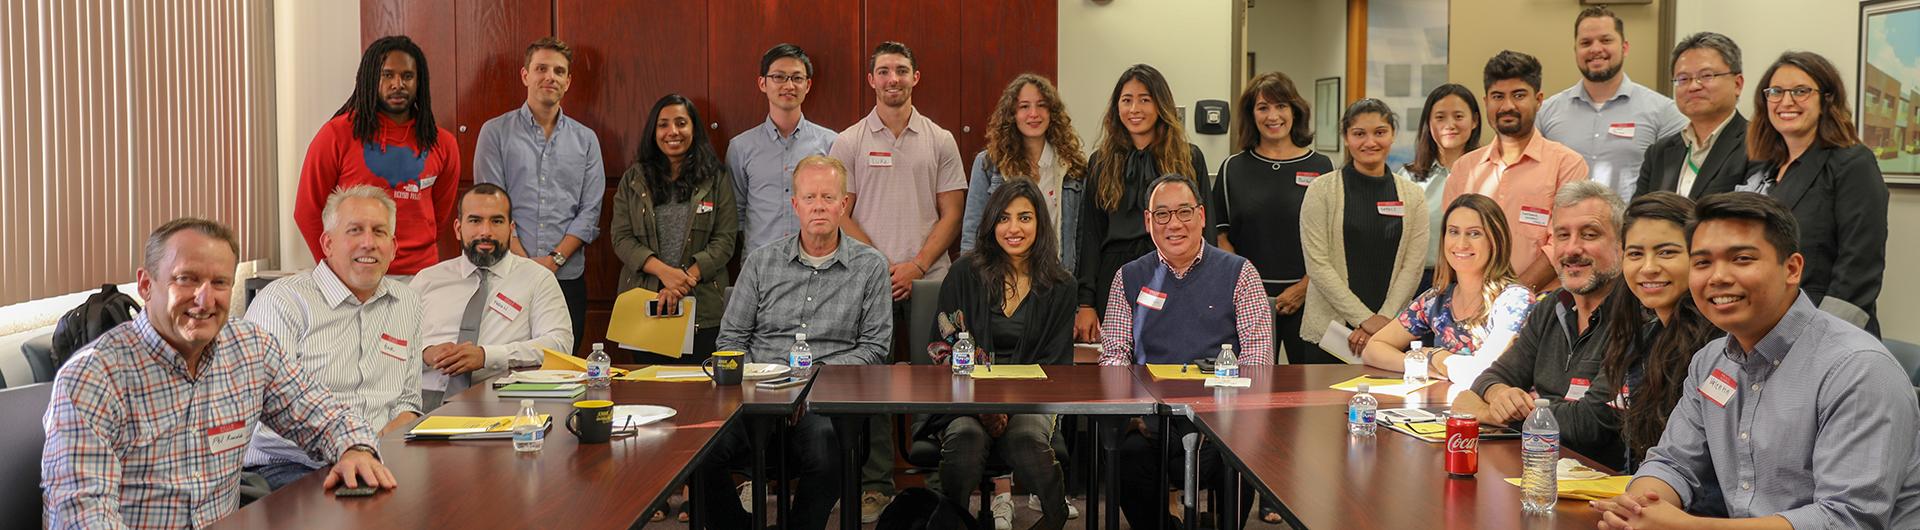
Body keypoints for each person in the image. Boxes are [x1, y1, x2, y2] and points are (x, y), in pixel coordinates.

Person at [1593, 192, 1920, 529]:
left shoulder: (1857, 369)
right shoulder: (1711, 362)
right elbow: (1674, 462)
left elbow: (1845, 519)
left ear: (1791, 269)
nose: (1717, 277)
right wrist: (1637, 509)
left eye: (1742, 259)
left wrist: (1687, 528)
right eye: (1702, 262)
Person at [42, 218, 396, 527]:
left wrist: (356, 449)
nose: (205, 299)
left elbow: (323, 414)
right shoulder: (93, 377)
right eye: (186, 279)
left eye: (220, 283)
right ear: (146, 285)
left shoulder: (250, 349)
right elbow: (83, 515)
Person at [700, 155, 893, 529]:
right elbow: (730, 341)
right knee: (701, 451)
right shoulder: (761, 263)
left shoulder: (871, 267)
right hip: (757, 396)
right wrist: (766, 384)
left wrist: (810, 382)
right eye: (809, 198)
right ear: (795, 205)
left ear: (844, 204)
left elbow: (874, 349)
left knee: (828, 449)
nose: (818, 206)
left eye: (827, 197)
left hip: (824, 399)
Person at [825, 41, 965, 519]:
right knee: (876, 383)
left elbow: (953, 212)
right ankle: (876, 484)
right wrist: (882, 267)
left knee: (936, 380)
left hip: (932, 281)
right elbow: (841, 211)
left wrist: (917, 266)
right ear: (871, 80)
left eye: (901, 70)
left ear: (916, 77)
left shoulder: (940, 138)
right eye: (883, 71)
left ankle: (938, 481)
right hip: (870, 282)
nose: (893, 79)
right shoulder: (848, 141)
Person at [1100, 175, 1271, 529]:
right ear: (1148, 222)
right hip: (1153, 420)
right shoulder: (1129, 277)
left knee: (1238, 454)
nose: (1174, 224)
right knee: (1126, 457)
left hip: (1220, 420)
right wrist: (1131, 410)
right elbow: (1114, 355)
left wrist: (1227, 416)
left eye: (1184, 212)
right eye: (1162, 215)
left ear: (1202, 216)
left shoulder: (1240, 273)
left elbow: (1257, 360)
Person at [242, 186, 423, 491]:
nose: (368, 243)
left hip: (379, 459)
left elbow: (407, 400)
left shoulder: (407, 302)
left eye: (379, 232)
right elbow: (262, 419)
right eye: (354, 231)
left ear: (393, 247)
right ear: (327, 243)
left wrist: (369, 449)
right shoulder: (284, 302)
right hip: (293, 466)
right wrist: (353, 446)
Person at [920, 180, 1075, 529]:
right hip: (966, 397)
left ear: (1040, 224)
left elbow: (1055, 365)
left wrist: (1005, 406)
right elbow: (943, 347)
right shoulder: (964, 273)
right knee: (965, 439)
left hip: (1032, 401)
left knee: (1026, 438)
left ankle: (1055, 514)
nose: (1014, 228)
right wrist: (986, 406)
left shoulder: (1061, 284)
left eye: (1025, 217)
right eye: (1004, 218)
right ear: (991, 224)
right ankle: (953, 520)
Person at [1451, 180, 1628, 470]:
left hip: (1602, 487)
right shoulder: (1551, 306)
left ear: (1621, 244)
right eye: (1562, 235)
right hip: (1539, 469)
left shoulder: (1635, 316)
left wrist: (1491, 412)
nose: (1572, 249)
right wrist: (1500, 395)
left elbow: (1590, 424)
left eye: (1589, 234)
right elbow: (1492, 377)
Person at [1734, 51, 1887, 336]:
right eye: (1776, 92)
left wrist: (1821, 337)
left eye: (1801, 91)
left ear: (1826, 99)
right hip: (1763, 324)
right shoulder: (1764, 167)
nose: (1786, 101)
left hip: (1825, 330)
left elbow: (1859, 267)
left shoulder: (1852, 163)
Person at [473, 36, 605, 348]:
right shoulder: (495, 133)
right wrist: (525, 261)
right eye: (541, 68)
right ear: (525, 75)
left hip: (567, 276)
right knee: (504, 364)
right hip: (506, 272)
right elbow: (490, 205)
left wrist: (553, 260)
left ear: (568, 81)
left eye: (559, 71)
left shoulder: (586, 140)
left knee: (563, 365)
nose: (550, 77)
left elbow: (590, 211)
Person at [295, 35, 460, 278]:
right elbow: (307, 210)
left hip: (421, 276)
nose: (398, 84)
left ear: (419, 81)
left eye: (407, 76)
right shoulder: (336, 135)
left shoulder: (443, 143)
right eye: (387, 75)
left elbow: (440, 217)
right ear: (371, 78)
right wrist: (332, 269)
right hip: (354, 274)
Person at [1076, 64, 1211, 346]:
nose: (1134, 109)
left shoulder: (1189, 158)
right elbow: (1089, 235)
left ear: (1160, 105)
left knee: (1172, 354)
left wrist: (1208, 288)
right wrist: (1085, 303)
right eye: (1127, 100)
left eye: (1144, 99)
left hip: (1175, 269)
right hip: (1115, 274)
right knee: (1119, 358)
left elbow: (1204, 230)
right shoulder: (1100, 162)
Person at [410, 184, 574, 408]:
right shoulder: (427, 280)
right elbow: (390, 343)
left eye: (496, 221)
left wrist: (487, 356)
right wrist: (425, 353)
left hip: (501, 398)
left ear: (511, 229)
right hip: (423, 399)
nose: (485, 231)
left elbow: (559, 344)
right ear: (458, 228)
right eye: (475, 220)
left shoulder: (537, 279)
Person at [1211, 71, 1334, 368]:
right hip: (1247, 300)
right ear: (1251, 115)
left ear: (1295, 110)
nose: (1273, 115)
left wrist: (1305, 287)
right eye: (1263, 107)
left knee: (1308, 393)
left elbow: (1331, 240)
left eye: (1281, 106)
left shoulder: (1322, 166)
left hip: (1308, 298)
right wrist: (1251, 290)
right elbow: (1219, 237)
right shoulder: (1232, 168)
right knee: (1246, 388)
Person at [1594, 192, 1720, 478]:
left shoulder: (1721, 345)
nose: (1648, 268)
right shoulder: (1644, 337)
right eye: (1635, 254)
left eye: (1666, 252)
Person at [1445, 50, 1592, 294]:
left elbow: (1563, 242)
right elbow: (1451, 241)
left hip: (1543, 304)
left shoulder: (1567, 164)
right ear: (1486, 102)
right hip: (1472, 304)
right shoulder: (1464, 168)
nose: (1507, 106)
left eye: (1519, 95)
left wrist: (1513, 298)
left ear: (1539, 99)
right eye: (1498, 96)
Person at [1298, 99, 1429, 364]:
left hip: (1390, 334)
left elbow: (1413, 267)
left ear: (1392, 135)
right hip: (1330, 333)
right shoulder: (1321, 191)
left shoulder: (1413, 197)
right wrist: (1364, 319)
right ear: (1346, 138)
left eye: (1380, 132)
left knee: (1388, 405)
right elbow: (1318, 265)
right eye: (1359, 134)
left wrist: (1382, 321)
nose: (1370, 142)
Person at [610, 94, 738, 362]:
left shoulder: (715, 177)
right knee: (646, 393)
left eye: (681, 123)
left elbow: (725, 240)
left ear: (694, 129)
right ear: (653, 132)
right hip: (644, 303)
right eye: (663, 124)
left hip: (702, 304)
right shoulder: (634, 178)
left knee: (702, 392)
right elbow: (621, 237)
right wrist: (665, 273)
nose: (673, 132)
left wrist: (683, 280)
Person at [1360, 194, 1533, 384]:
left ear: (1497, 241)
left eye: (1474, 233)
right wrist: (1421, 363)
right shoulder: (1436, 299)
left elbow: (1482, 373)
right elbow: (1373, 348)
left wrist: (1438, 357)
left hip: (1495, 410)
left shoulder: (1515, 300)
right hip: (1444, 406)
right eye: (1453, 232)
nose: (1461, 244)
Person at [1537, 6, 1686, 199]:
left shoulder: (1664, 112)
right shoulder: (1546, 112)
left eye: (1606, 40)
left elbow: (1678, 184)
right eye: (1586, 42)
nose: (1596, 49)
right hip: (1563, 227)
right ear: (1576, 50)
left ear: (1625, 47)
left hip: (1630, 227)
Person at [959, 74, 1087, 277]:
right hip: (1001, 279)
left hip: (1056, 279)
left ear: (1052, 112)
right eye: (1024, 106)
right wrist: (969, 283)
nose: (1033, 114)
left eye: (1041, 105)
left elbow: (1080, 239)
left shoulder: (1072, 167)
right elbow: (972, 233)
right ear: (1012, 114)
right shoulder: (989, 164)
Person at [729, 43, 837, 254]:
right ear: (762, 83)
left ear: (808, 85)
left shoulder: (830, 143)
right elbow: (736, 215)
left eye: (797, 78)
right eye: (779, 77)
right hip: (760, 264)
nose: (789, 85)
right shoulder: (741, 147)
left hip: (817, 262)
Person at [1633, 32, 1749, 200]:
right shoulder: (1659, 152)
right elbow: (1638, 216)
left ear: (1737, 84)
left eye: (1706, 76)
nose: (1693, 86)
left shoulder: (1758, 144)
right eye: (1683, 79)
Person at [1404, 84, 1484, 295]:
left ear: (1474, 120)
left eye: (1458, 116)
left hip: (1476, 280)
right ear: (1428, 123)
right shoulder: (1408, 178)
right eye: (1440, 117)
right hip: (1418, 281)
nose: (1450, 125)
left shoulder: (1489, 173)